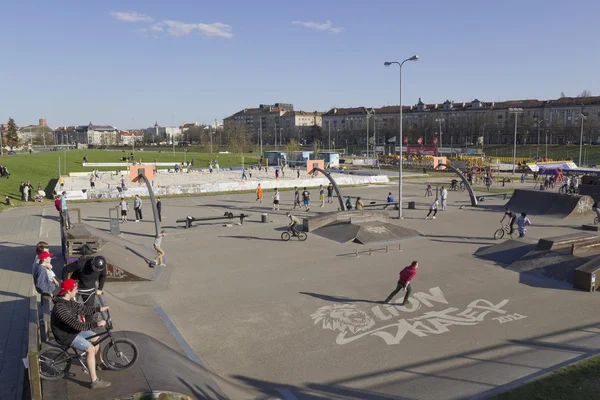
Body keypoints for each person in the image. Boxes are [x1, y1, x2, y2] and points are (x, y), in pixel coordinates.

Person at [51, 279, 111, 389]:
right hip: (65, 335)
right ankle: (94, 381)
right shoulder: (60, 308)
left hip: (72, 331)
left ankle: (98, 363)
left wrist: (99, 309)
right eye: (75, 289)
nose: (77, 290)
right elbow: (76, 325)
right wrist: (96, 324)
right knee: (90, 349)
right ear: (68, 291)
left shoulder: (69, 301)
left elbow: (82, 309)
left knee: (96, 337)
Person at [61, 255, 107, 322]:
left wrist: (100, 288)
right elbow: (65, 269)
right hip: (75, 288)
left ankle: (88, 328)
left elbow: (103, 276)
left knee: (89, 310)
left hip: (89, 290)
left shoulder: (102, 266)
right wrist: (66, 285)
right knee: (71, 307)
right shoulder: (80, 263)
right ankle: (72, 324)